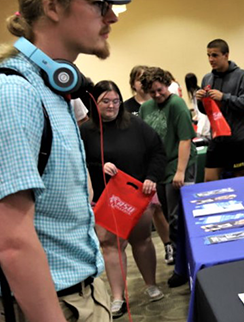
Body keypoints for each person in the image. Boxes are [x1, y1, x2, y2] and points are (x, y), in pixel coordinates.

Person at [0, 0, 133, 321]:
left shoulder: (49, 88)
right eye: (100, 5)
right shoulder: (12, 94)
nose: (112, 18)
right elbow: (14, 242)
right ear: (53, 7)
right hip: (48, 306)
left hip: (82, 294)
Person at [80, 81, 167, 317]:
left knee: (142, 241)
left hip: (135, 196)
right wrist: (99, 167)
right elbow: (78, 163)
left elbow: (158, 152)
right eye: (105, 101)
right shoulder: (86, 131)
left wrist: (151, 177)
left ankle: (151, 284)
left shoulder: (136, 125)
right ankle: (118, 297)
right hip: (104, 199)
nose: (112, 106)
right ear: (94, 103)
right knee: (110, 245)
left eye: (116, 101)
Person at [139, 66, 195, 287]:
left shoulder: (177, 105)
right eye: (152, 92)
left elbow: (185, 139)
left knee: (178, 220)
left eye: (160, 90)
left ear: (167, 85)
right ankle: (180, 263)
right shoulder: (146, 109)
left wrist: (180, 171)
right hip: (159, 170)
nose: (157, 95)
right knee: (166, 216)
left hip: (176, 166)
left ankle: (183, 267)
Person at [196, 39, 244, 181]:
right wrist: (200, 101)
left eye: (215, 55)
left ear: (226, 55)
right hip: (216, 139)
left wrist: (224, 97)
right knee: (209, 181)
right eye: (208, 55)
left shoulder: (241, 76)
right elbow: (207, 112)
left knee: (239, 183)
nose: (211, 59)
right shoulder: (207, 79)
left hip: (237, 139)